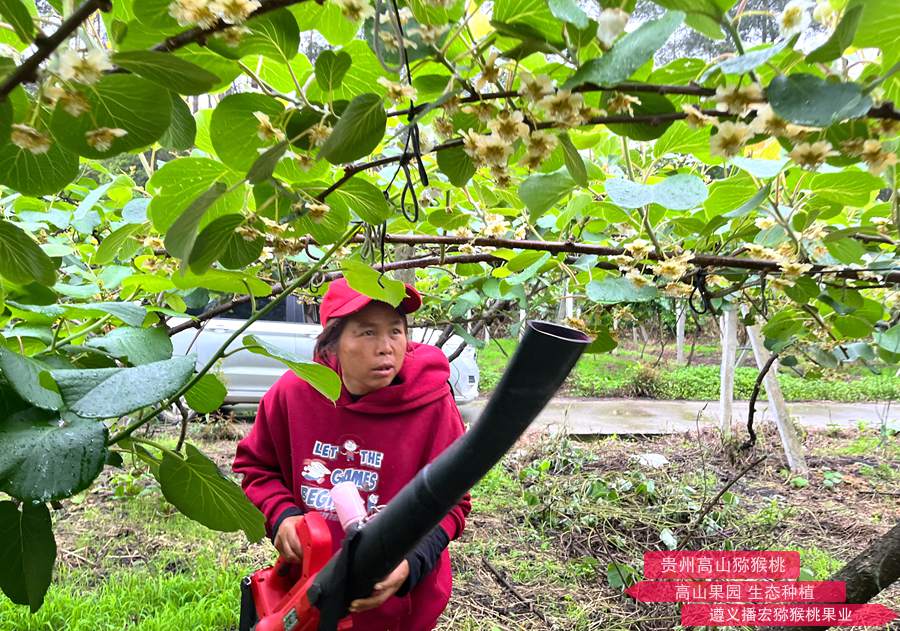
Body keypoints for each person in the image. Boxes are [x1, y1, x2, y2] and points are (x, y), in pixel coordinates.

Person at [233, 276, 471, 631]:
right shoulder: (294, 393)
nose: (386, 347)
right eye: (367, 333)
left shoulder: (433, 403)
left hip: (402, 608)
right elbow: (257, 467)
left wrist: (409, 562)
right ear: (333, 343)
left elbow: (453, 503)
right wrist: (282, 516)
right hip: (312, 594)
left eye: (395, 331)